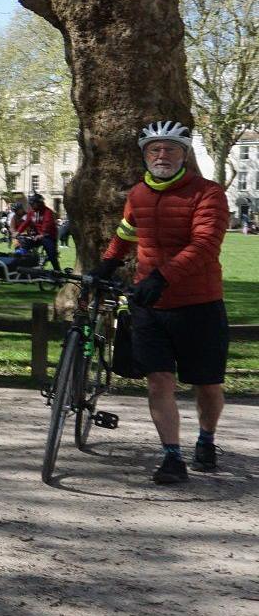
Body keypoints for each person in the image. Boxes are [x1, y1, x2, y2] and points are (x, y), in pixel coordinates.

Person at [91, 121, 229, 484]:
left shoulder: (208, 193)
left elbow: (205, 245)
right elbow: (126, 232)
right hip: (149, 305)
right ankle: (172, 456)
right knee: (158, 381)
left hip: (199, 303)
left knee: (208, 385)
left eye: (170, 148)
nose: (162, 154)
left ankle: (207, 438)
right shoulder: (137, 193)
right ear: (145, 155)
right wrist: (108, 262)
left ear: (185, 154)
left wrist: (162, 277)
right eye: (154, 149)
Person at [15, 192, 60, 268]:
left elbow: (47, 224)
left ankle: (57, 271)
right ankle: (25, 265)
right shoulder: (31, 213)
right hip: (37, 236)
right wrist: (18, 232)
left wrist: (42, 234)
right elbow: (26, 222)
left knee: (51, 255)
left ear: (39, 203)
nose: (31, 206)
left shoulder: (48, 212)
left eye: (33, 204)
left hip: (48, 236)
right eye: (31, 204)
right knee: (23, 244)